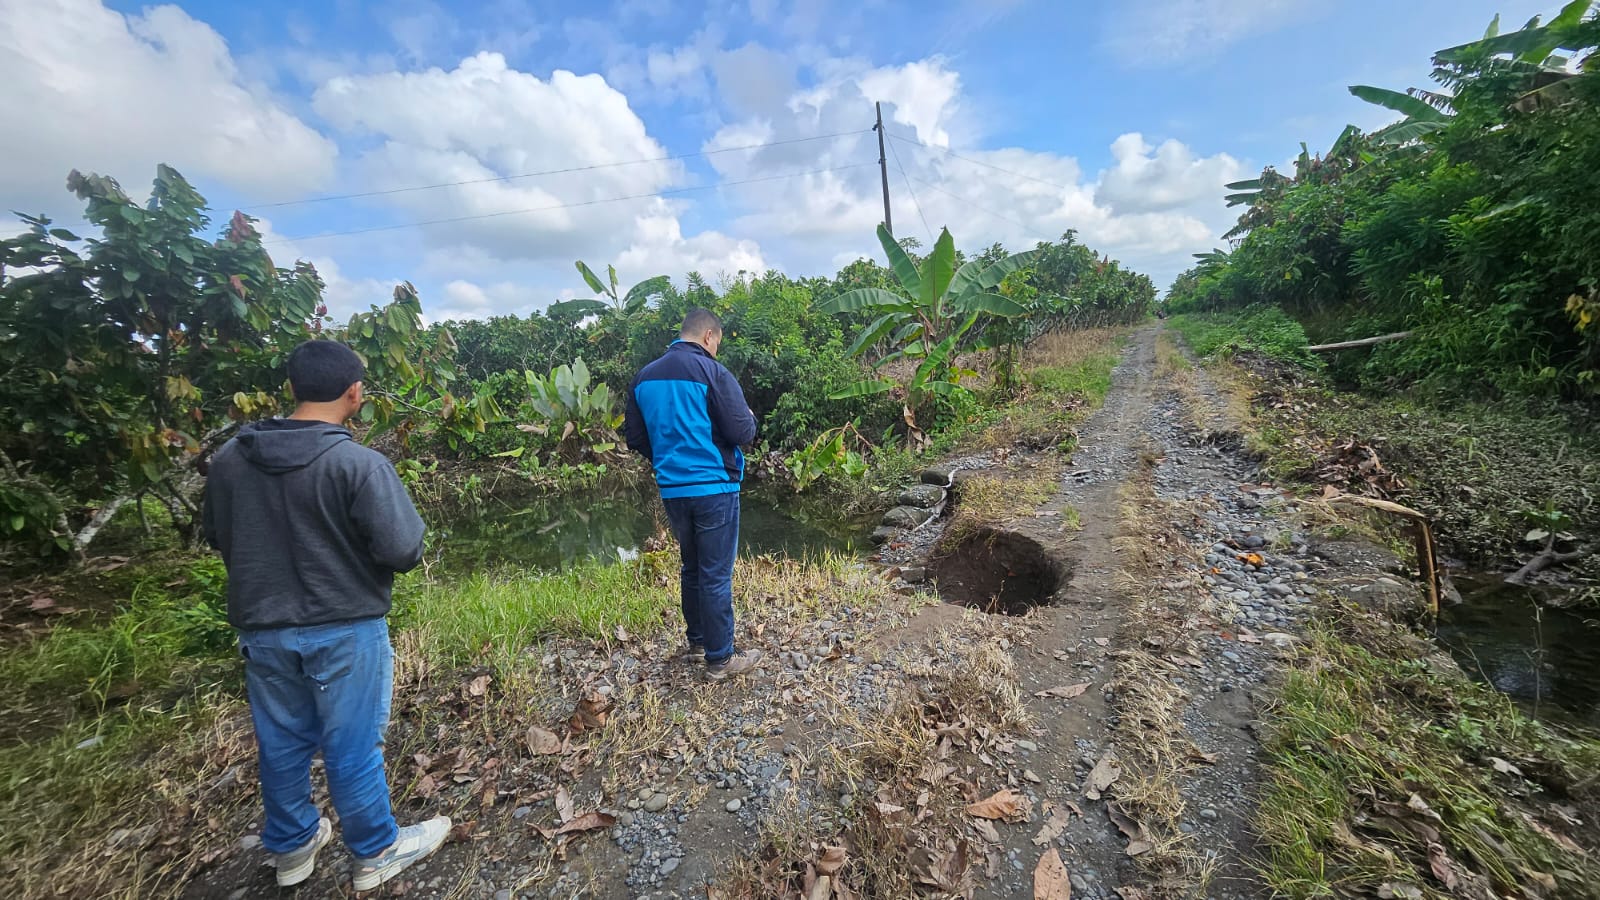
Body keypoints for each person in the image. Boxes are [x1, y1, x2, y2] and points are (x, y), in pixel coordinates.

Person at [203, 340, 450, 890]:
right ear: (354, 393)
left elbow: (218, 536)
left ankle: (292, 846)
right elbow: (404, 549)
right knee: (353, 745)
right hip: (345, 627)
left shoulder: (229, 461)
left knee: (281, 741)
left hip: (262, 629)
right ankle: (375, 850)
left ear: (292, 388)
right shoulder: (357, 464)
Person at [625, 308, 763, 680]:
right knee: (715, 574)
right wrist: (750, 417)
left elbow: (635, 437)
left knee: (691, 567)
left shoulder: (644, 377)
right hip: (714, 486)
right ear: (708, 336)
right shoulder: (713, 372)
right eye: (717, 342)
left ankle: (699, 643)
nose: (716, 349)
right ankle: (721, 659)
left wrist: (668, 459)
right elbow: (741, 432)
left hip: (673, 489)